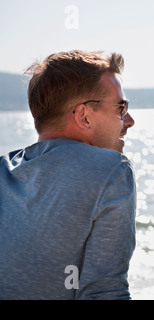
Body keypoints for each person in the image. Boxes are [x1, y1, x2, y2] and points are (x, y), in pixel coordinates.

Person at [0, 50, 136, 299]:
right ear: (84, 115)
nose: (129, 120)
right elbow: (104, 292)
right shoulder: (110, 170)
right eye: (120, 107)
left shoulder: (3, 170)